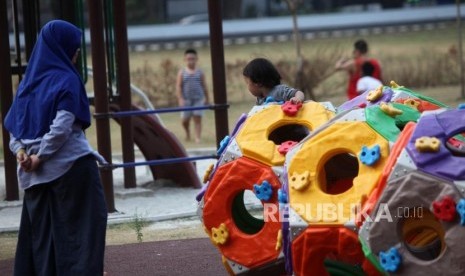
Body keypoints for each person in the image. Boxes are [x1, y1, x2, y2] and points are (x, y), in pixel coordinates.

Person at [4, 20, 108, 275]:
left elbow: (13, 128)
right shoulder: (67, 79)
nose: (76, 54)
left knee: (43, 238)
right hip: (72, 168)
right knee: (84, 230)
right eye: (74, 48)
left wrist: (22, 154)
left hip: (35, 176)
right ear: (62, 48)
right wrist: (41, 156)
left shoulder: (27, 85)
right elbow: (62, 126)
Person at [176, 48, 210, 143]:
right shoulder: (182, 72)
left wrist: (207, 98)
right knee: (184, 120)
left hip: (198, 99)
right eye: (188, 59)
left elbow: (204, 86)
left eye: (193, 59)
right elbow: (178, 86)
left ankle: (197, 138)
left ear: (196, 59)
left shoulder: (200, 72)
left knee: (197, 118)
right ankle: (187, 133)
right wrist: (180, 99)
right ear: (185, 60)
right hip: (186, 100)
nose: (191, 61)